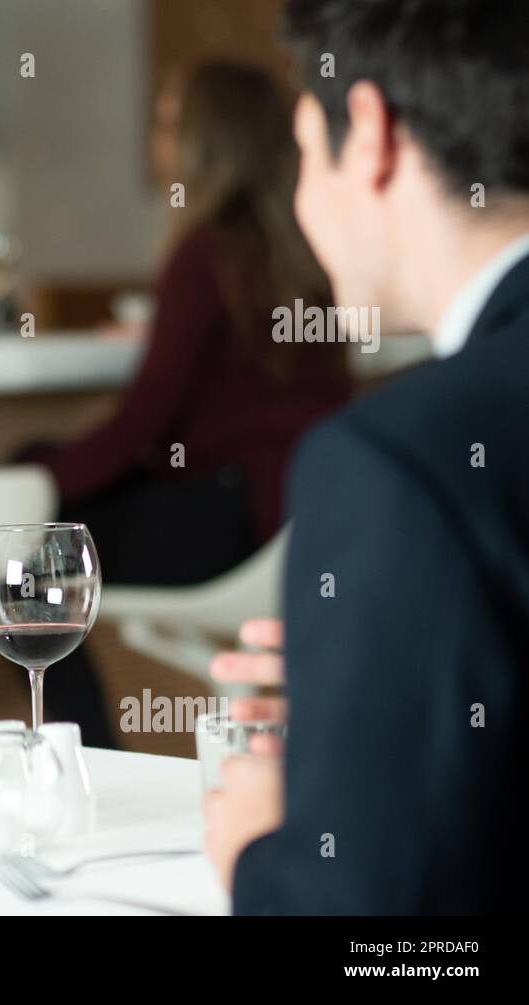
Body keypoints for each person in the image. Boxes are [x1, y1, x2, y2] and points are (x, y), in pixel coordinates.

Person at [205, 0, 529, 914]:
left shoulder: (396, 458)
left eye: (306, 150)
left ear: (373, 134)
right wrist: (377, 701)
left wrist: (262, 852)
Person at [21, 63, 351, 748]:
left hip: (222, 524)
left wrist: (32, 479)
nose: (158, 139)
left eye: (171, 124)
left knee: (31, 560)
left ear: (207, 143)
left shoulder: (206, 255)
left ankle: (82, 759)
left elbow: (142, 427)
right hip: (295, 521)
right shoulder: (307, 253)